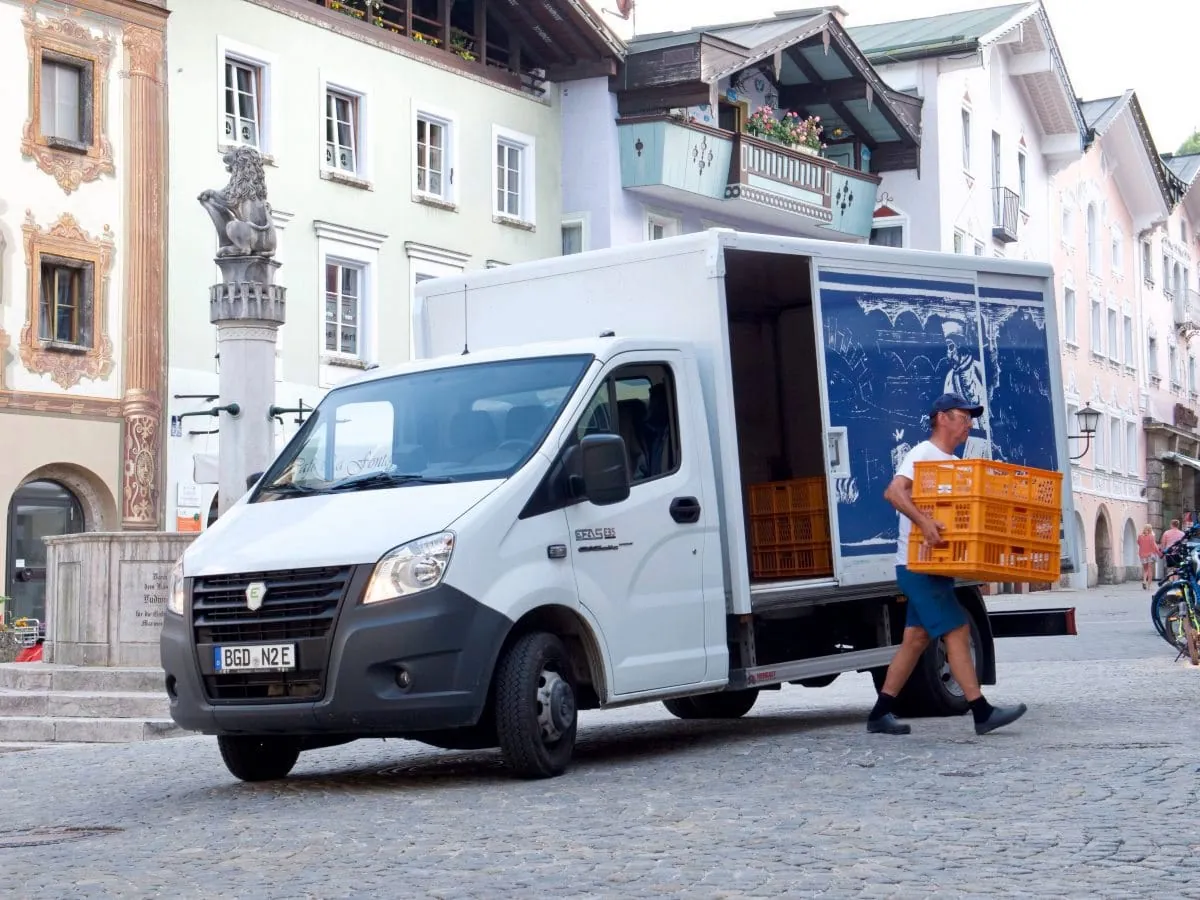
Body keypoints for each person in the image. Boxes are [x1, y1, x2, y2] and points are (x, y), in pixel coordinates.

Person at [867, 392, 1028, 737]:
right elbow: (894, 492)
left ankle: (879, 714)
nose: (969, 423)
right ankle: (981, 711)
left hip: (934, 567)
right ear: (942, 417)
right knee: (957, 629)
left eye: (971, 417)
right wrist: (923, 523)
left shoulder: (953, 462)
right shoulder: (922, 453)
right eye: (963, 416)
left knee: (915, 639)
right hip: (916, 565)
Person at [1136, 524, 1161, 590]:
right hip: (1150, 555)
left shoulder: (1140, 536)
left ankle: (1144, 581)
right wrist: (1159, 553)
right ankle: (1149, 586)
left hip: (1142, 555)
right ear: (1150, 529)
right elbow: (1154, 546)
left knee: (1145, 570)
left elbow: (1138, 543)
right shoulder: (1151, 536)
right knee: (1150, 570)